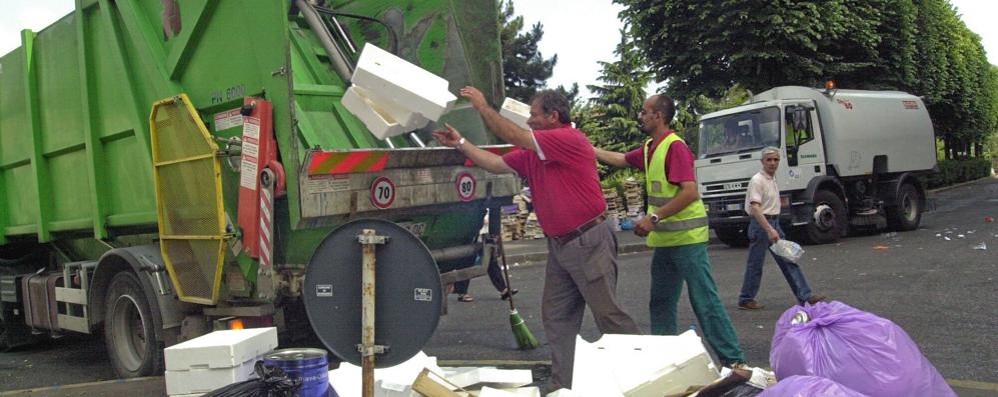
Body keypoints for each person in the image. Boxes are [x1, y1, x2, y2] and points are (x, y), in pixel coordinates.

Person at [433, 86, 641, 390]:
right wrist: (461, 143)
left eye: (534, 114)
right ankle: (563, 387)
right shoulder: (536, 153)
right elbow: (496, 163)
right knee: (556, 316)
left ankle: (645, 376)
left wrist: (483, 107)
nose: (529, 120)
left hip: (587, 240)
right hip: (561, 244)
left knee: (609, 315)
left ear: (553, 116)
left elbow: (518, 136)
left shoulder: (567, 139)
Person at [594, 95, 746, 368]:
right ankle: (665, 361)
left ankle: (735, 362)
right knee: (661, 302)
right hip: (666, 241)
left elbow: (690, 192)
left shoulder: (675, 147)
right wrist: (587, 148)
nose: (640, 116)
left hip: (687, 240)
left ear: (659, 116)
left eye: (644, 112)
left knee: (705, 302)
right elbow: (619, 159)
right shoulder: (651, 147)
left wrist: (653, 217)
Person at [737, 147, 825, 310]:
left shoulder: (771, 179)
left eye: (776, 160)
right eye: (769, 160)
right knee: (756, 264)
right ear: (762, 162)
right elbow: (755, 207)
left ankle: (805, 296)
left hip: (773, 223)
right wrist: (769, 229)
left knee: (788, 259)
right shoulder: (758, 180)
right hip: (763, 225)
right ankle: (746, 298)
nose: (772, 163)